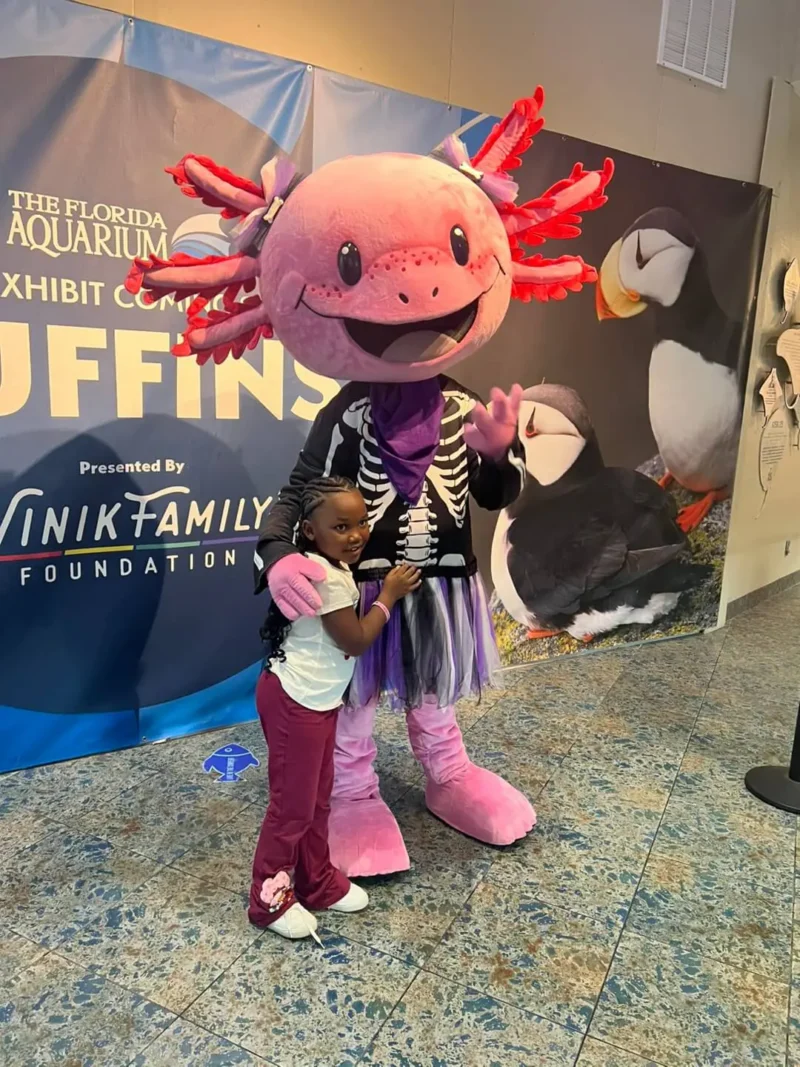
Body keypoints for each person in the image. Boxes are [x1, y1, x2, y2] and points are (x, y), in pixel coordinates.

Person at [126, 86, 613, 877]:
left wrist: (496, 457)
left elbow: (495, 499)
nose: (417, 292)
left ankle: (448, 772)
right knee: (350, 705)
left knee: (434, 697)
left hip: (442, 587)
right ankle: (351, 793)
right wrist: (278, 556)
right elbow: (293, 495)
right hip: (357, 593)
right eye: (354, 265)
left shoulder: (464, 404)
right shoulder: (345, 418)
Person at [248, 476, 421, 939]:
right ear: (308, 531)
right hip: (294, 704)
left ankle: (315, 880)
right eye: (341, 526)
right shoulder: (322, 577)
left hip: (317, 702)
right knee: (292, 809)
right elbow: (355, 640)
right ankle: (268, 898)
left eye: (361, 522)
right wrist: (387, 596)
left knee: (318, 798)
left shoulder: (333, 568)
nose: (356, 534)